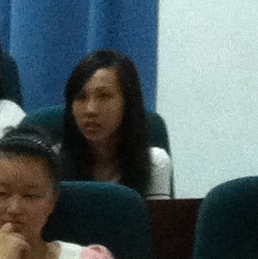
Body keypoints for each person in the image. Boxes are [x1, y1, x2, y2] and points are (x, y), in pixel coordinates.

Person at [52, 50, 172, 200]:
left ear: (128, 103)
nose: (90, 110)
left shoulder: (155, 162)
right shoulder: (51, 162)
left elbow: (156, 216)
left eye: (104, 96)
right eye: (81, 97)